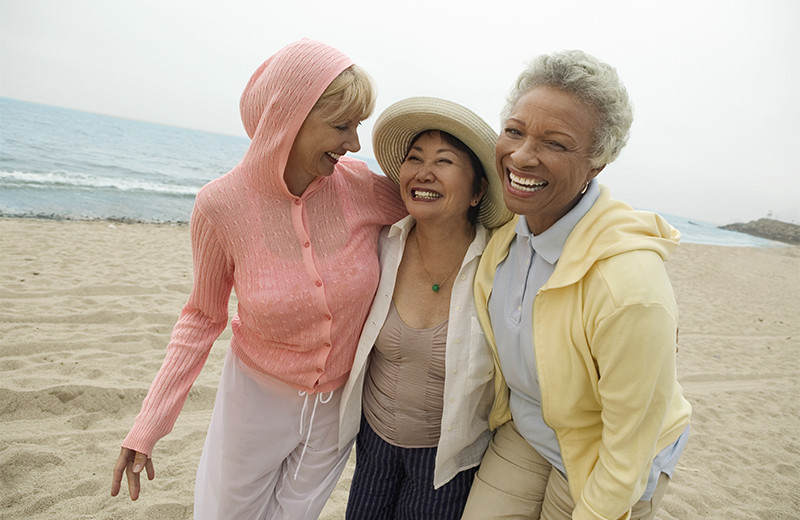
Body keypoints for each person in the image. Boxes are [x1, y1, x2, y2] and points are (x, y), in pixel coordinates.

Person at [109, 39, 407, 519]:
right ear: (289, 119)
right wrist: (148, 425)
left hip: (338, 408)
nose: (354, 144)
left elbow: (441, 207)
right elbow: (201, 319)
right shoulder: (219, 206)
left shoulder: (360, 186)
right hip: (254, 399)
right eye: (341, 125)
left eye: (358, 126)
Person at [460, 50, 692, 520]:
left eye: (556, 143)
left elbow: (629, 442)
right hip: (529, 429)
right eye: (514, 131)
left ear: (596, 165)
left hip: (610, 451)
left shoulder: (629, 285)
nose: (522, 155)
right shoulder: (507, 233)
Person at [338, 97, 513, 519]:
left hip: (448, 460)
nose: (423, 172)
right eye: (414, 158)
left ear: (478, 190)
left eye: (444, 161)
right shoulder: (381, 245)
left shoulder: (500, 266)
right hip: (373, 443)